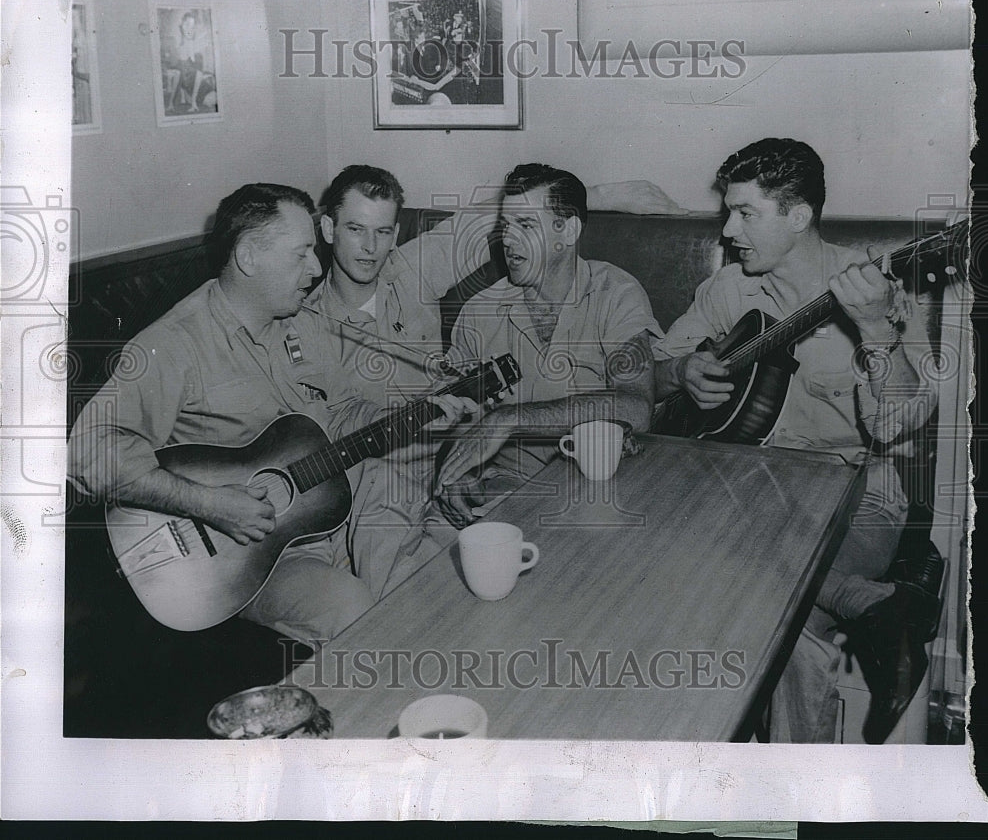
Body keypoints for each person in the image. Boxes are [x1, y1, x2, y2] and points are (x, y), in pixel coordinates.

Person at [68, 183, 475, 644]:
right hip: (248, 557)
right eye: (301, 253)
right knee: (356, 614)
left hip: (335, 513)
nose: (317, 267)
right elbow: (88, 454)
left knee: (435, 584)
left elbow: (340, 414)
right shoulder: (174, 345)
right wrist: (211, 504)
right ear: (248, 256)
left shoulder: (302, 322)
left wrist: (415, 415)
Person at [651, 138, 940, 743]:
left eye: (745, 213)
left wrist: (875, 333)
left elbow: (899, 425)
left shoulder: (878, 288)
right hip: (747, 486)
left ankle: (793, 789)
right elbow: (653, 373)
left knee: (787, 616)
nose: (728, 230)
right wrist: (681, 373)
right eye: (729, 211)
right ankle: (870, 604)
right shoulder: (729, 290)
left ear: (799, 216)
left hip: (857, 493)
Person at [293, 164, 500, 600]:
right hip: (380, 476)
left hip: (457, 455)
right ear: (328, 228)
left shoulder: (409, 269)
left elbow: (487, 218)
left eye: (383, 233)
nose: (371, 249)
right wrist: (408, 419)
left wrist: (611, 193)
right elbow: (325, 430)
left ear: (396, 232)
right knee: (399, 607)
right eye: (355, 229)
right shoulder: (304, 323)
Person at [431, 162, 661, 526]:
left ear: (568, 230)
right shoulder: (480, 310)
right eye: (505, 226)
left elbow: (636, 408)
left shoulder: (616, 293)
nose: (507, 240)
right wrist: (458, 472)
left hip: (597, 491)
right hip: (504, 490)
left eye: (525, 225)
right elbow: (453, 410)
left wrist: (512, 419)